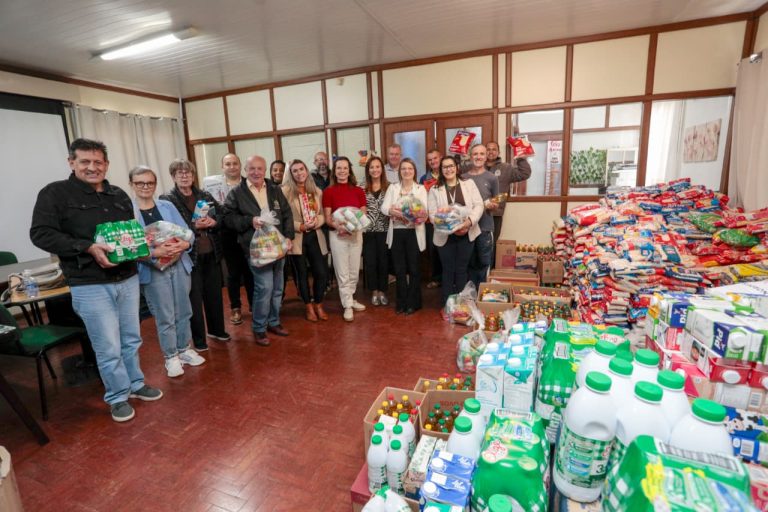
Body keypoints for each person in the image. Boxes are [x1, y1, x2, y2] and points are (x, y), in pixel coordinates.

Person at [30, 138, 163, 423]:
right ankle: (117, 396)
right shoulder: (54, 194)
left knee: (131, 338)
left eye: (98, 162)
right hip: (89, 283)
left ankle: (136, 384)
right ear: (72, 163)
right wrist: (87, 247)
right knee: (108, 346)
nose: (92, 168)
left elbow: (129, 234)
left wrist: (144, 244)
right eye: (85, 162)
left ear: (106, 165)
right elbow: (40, 234)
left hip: (127, 277)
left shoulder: (118, 195)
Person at [130, 166, 206, 378]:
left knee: (184, 310)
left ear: (155, 184)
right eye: (140, 183)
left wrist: (183, 245)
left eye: (150, 183)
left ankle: (184, 349)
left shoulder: (167, 205)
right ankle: (170, 356)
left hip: (179, 265)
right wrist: (155, 252)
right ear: (132, 185)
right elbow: (130, 247)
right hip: (152, 270)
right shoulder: (128, 211)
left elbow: (187, 233)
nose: (145, 187)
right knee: (165, 315)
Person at [223, 155, 294, 346]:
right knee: (265, 288)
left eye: (260, 168)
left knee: (278, 287)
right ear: (246, 170)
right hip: (255, 249)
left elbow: (286, 214)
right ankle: (259, 327)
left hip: (278, 246)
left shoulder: (274, 189)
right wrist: (250, 221)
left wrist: (288, 237)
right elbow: (227, 218)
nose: (256, 172)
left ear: (265, 171)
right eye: (252, 168)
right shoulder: (237, 192)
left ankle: (273, 321)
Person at [161, 159, 230, 351]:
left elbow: (222, 215)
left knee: (214, 294)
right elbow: (169, 228)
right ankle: (199, 340)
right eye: (180, 173)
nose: (184, 176)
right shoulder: (167, 199)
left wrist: (213, 222)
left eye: (188, 173)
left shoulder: (205, 194)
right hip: (189, 258)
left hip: (211, 251)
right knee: (194, 299)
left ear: (193, 175)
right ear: (173, 176)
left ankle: (217, 330)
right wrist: (194, 226)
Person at [202, 153, 253, 326]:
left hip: (247, 231)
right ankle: (236, 307)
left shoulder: (249, 184)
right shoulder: (213, 188)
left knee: (250, 270)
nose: (232, 167)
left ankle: (254, 305)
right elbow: (209, 212)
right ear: (222, 167)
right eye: (228, 164)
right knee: (233, 273)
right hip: (226, 233)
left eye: (235, 163)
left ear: (240, 166)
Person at [427, 155, 484, 306]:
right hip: (445, 235)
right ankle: (448, 306)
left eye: (451, 165)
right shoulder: (434, 189)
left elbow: (479, 205)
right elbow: (432, 214)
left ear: (457, 167)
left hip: (467, 233)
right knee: (447, 270)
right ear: (441, 170)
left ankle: (461, 306)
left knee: (461, 270)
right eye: (445, 167)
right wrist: (450, 227)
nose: (448, 169)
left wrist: (468, 222)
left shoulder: (468, 184)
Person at [281, 159, 329, 322]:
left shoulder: (316, 191)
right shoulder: (285, 192)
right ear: (291, 174)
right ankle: (308, 306)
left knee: (321, 273)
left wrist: (318, 222)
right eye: (295, 170)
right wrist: (300, 226)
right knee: (301, 274)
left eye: (302, 169)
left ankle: (319, 304)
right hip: (297, 237)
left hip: (315, 235)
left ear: (307, 171)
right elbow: (283, 218)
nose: (299, 173)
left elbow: (322, 214)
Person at [323, 156, 367, 321]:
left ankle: (351, 298)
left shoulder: (358, 190)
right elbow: (328, 218)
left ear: (350, 170)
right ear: (334, 171)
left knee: (354, 271)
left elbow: (363, 213)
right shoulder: (328, 192)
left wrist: (352, 227)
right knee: (342, 272)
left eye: (345, 168)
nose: (342, 171)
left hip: (356, 233)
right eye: (339, 168)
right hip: (337, 235)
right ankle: (347, 305)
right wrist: (339, 227)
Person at [382, 158, 428, 314]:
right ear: (399, 172)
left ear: (414, 171)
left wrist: (413, 216)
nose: (407, 171)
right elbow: (384, 207)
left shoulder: (420, 189)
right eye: (403, 169)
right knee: (399, 270)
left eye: (410, 168)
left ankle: (413, 302)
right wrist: (391, 211)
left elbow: (425, 212)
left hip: (413, 232)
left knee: (414, 269)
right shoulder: (393, 188)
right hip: (397, 232)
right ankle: (401, 303)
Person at [461, 144, 499, 290]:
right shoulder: (463, 178)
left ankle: (482, 295)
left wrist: (493, 206)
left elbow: (496, 202)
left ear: (486, 156)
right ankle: (470, 294)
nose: (478, 157)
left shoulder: (492, 178)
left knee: (484, 262)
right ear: (470, 156)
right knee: (469, 263)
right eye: (475, 154)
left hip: (485, 227)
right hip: (467, 228)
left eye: (481, 154)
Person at [485, 141, 532, 252]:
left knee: (491, 243)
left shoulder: (506, 168)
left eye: (494, 149)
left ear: (498, 152)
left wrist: (520, 158)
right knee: (476, 242)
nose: (491, 152)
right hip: (478, 212)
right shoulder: (477, 167)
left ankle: (490, 267)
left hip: (496, 212)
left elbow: (524, 173)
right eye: (488, 149)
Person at [362, 156, 390, 306]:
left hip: (385, 231)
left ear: (382, 169)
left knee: (384, 262)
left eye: (377, 166)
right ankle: (374, 291)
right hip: (368, 232)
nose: (375, 170)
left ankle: (383, 291)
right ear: (368, 170)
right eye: (371, 167)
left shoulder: (390, 187)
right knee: (371, 262)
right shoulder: (361, 188)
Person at [420, 149, 443, 289]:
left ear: (440, 158)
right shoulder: (424, 179)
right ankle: (436, 278)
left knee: (446, 249)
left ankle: (448, 277)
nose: (433, 161)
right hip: (430, 221)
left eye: (435, 158)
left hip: (447, 218)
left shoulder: (448, 173)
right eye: (430, 160)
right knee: (433, 250)